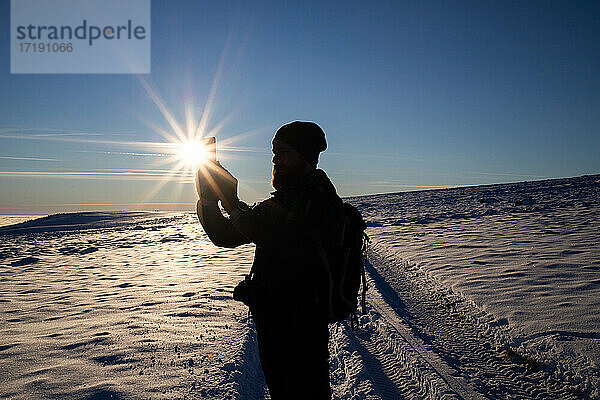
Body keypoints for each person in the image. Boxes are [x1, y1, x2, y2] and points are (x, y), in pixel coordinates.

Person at [195, 121, 344, 399]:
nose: (276, 159)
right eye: (274, 152)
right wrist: (210, 200)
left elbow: (252, 231)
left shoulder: (315, 201)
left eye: (284, 152)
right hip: (282, 325)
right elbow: (234, 232)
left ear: (306, 155)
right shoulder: (291, 198)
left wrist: (226, 199)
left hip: (299, 330)